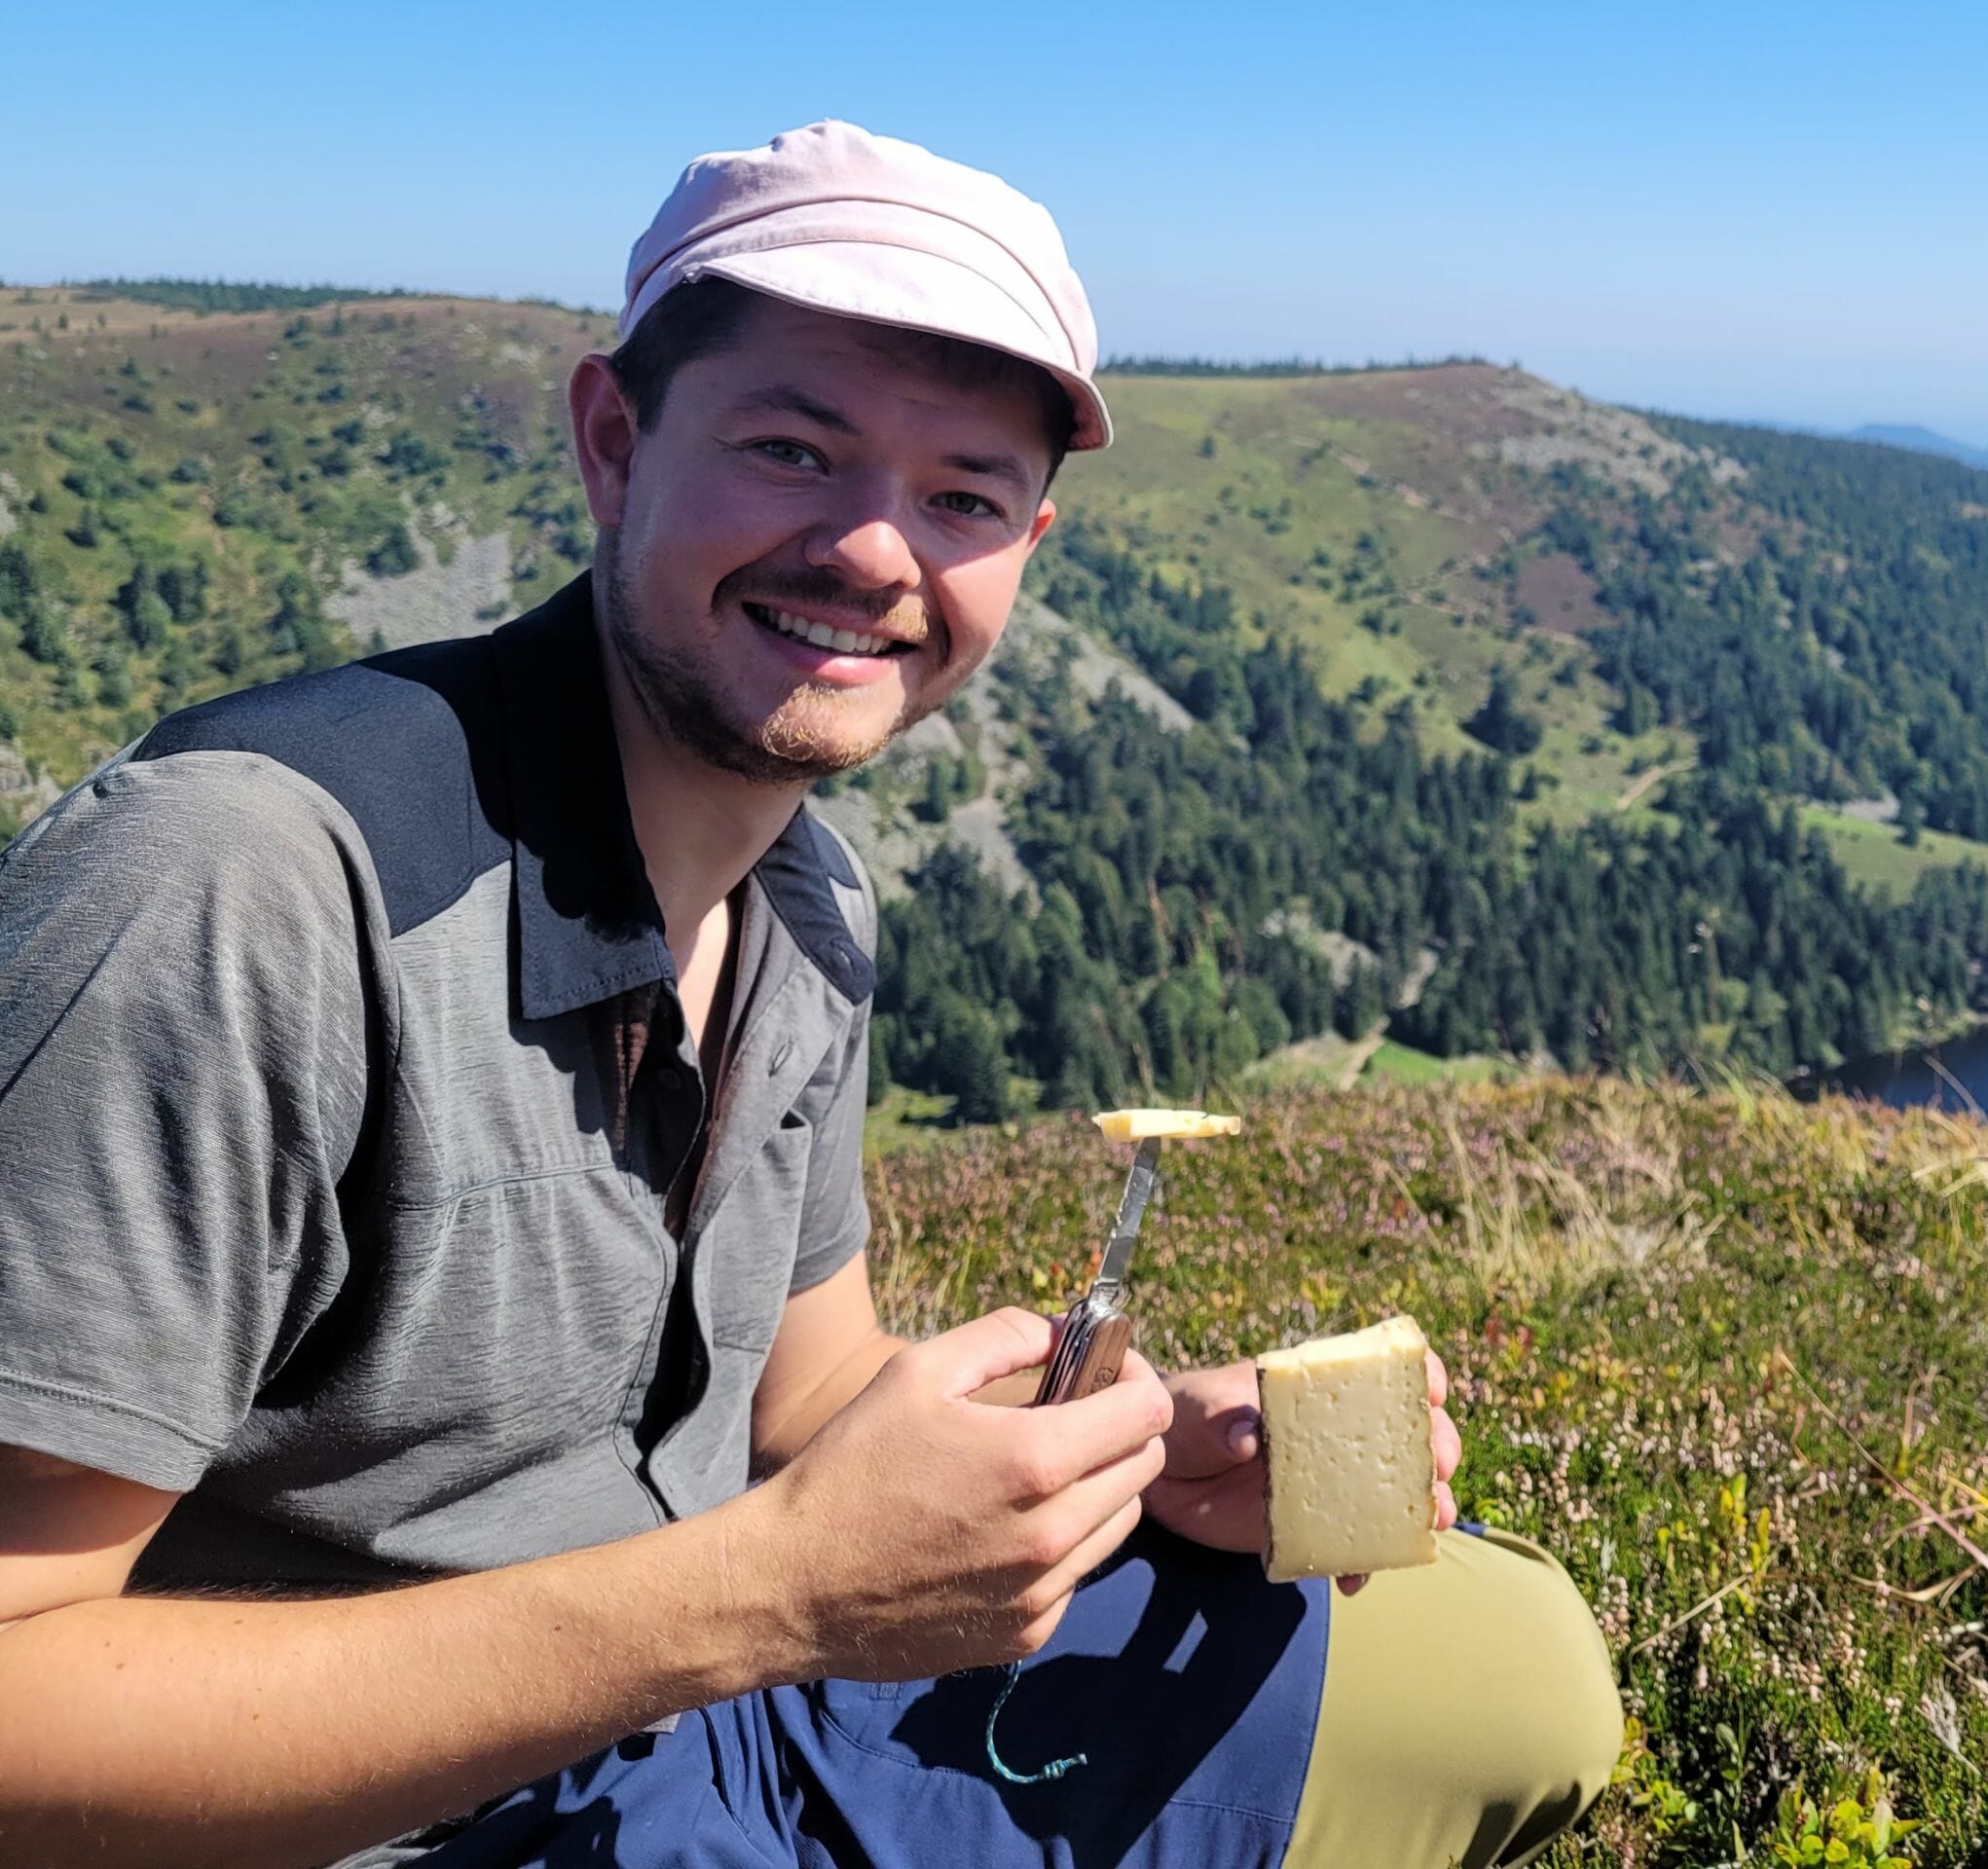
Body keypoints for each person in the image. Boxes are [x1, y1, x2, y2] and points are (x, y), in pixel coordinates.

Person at [0, 121, 1622, 1868]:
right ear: (614, 442)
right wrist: (760, 1600)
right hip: (400, 1807)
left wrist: (1138, 1456)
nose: (873, 552)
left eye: (963, 498)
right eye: (792, 449)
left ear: (1027, 543)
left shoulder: (805, 896)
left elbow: (803, 1396)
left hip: (720, 1694)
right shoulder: (240, 887)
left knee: (1517, 1667)